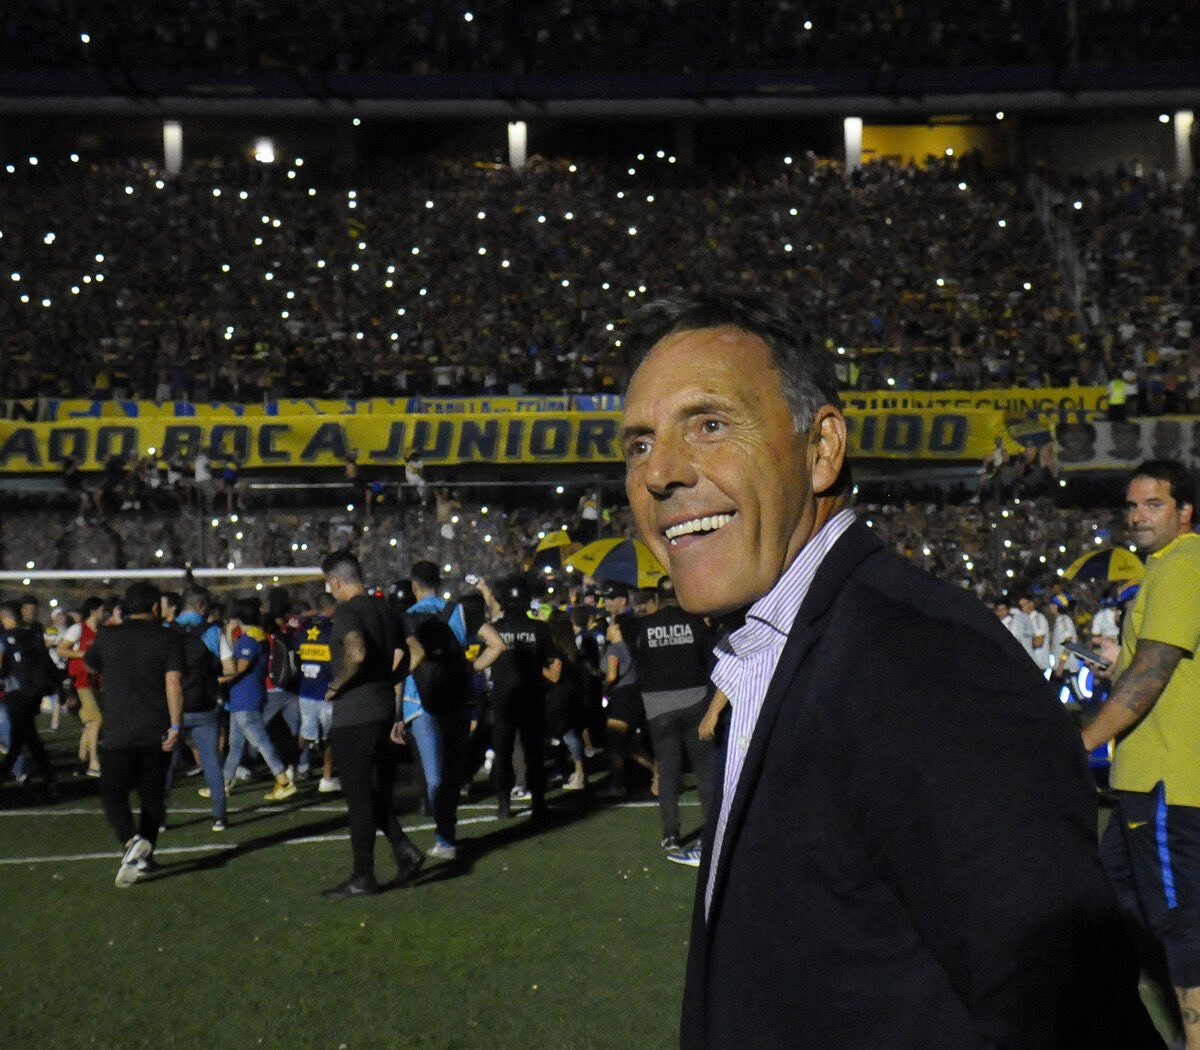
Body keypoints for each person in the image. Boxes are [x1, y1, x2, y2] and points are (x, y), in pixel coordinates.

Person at [619, 290, 1157, 1048]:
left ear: (822, 448)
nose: (661, 472)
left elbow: (1067, 1014)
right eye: (638, 445)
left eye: (709, 424)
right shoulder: (787, 649)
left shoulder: (924, 662)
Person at [1081, 460, 1200, 1048]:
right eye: (1132, 506)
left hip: (1168, 782)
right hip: (1145, 780)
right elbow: (1145, 667)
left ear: (1185, 511)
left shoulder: (1184, 564)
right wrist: (1116, 663)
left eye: (1154, 504)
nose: (1137, 516)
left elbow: (1152, 676)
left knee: (1179, 923)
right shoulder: (1163, 571)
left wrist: (1078, 742)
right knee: (1114, 910)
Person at [321, 549, 424, 899]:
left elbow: (356, 652)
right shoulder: (385, 608)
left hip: (356, 713)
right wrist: (389, 677)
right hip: (382, 707)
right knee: (375, 792)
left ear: (335, 581)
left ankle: (363, 877)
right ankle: (403, 849)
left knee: (359, 797)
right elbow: (413, 651)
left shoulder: (348, 611)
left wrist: (337, 684)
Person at [83, 582, 183, 888]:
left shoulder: (108, 635)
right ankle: (143, 854)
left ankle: (130, 842)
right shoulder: (168, 637)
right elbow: (174, 682)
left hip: (119, 728)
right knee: (152, 798)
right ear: (155, 607)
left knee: (113, 793)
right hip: (156, 729)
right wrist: (176, 725)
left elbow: (89, 665)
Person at [628, 576, 715, 861]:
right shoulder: (695, 623)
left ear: (656, 599)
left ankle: (670, 834)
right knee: (704, 770)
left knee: (667, 770)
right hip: (695, 700)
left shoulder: (645, 627)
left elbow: (639, 663)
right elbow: (708, 659)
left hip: (659, 705)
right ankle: (714, 830)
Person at [401, 560, 471, 860]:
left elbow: (407, 663)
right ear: (439, 584)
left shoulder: (406, 617)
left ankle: (444, 838)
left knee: (433, 774)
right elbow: (462, 649)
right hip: (454, 696)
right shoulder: (455, 611)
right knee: (451, 771)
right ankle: (448, 833)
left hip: (419, 699)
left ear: (414, 585)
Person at [488, 576, 552, 820]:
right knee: (534, 752)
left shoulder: (496, 628)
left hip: (503, 698)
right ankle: (538, 802)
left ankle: (504, 803)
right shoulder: (539, 628)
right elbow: (550, 659)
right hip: (532, 696)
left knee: (503, 752)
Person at [220, 599, 296, 802]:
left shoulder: (249, 639)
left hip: (246, 696)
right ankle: (224, 784)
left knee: (259, 740)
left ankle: (283, 779)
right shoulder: (255, 635)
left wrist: (219, 679)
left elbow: (241, 667)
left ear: (238, 618)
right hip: (243, 696)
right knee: (235, 744)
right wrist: (229, 634)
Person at [166, 587, 228, 831]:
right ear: (202, 607)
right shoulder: (212, 631)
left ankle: (159, 818)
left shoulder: (167, 631)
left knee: (167, 765)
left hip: (173, 707)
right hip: (205, 703)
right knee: (211, 761)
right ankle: (219, 816)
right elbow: (228, 665)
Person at [0, 601, 58, 799]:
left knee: (19, 740)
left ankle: (49, 780)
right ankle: (50, 779)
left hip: (15, 695)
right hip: (33, 694)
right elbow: (46, 662)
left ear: (5, 617)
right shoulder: (32, 636)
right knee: (28, 739)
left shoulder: (4, 639)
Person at [296, 591, 339, 793]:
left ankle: (291, 769)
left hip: (306, 688)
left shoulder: (303, 629)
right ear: (331, 607)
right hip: (326, 691)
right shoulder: (333, 630)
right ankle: (327, 777)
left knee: (305, 732)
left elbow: (296, 655)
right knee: (331, 736)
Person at [58, 597, 106, 777]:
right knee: (96, 720)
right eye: (102, 609)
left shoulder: (101, 631)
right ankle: (94, 762)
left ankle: (81, 761)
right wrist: (81, 654)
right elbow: (61, 649)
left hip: (95, 681)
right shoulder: (78, 629)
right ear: (94, 611)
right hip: (80, 681)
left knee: (91, 724)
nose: (104, 613)